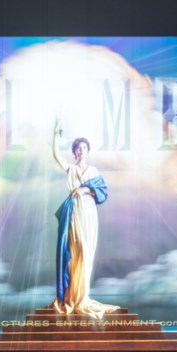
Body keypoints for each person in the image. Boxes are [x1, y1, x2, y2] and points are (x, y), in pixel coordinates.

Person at [50, 120, 119, 318]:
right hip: (73, 214)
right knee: (73, 251)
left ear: (88, 151)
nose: (81, 151)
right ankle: (71, 296)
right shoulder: (70, 169)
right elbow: (55, 155)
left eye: (84, 148)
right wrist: (55, 134)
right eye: (78, 148)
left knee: (86, 254)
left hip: (88, 213)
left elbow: (102, 191)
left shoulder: (94, 171)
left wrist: (84, 189)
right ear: (74, 152)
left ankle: (82, 297)